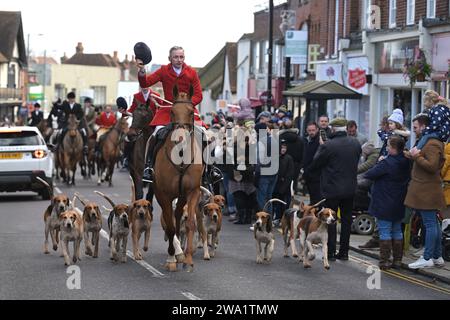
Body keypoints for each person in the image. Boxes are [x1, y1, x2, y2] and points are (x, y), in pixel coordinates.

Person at [136, 46, 204, 182]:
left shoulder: (192, 72)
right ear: (170, 58)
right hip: (168, 110)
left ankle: (208, 170)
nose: (179, 60)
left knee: (204, 134)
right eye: (176, 57)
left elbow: (198, 95)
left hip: (188, 111)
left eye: (181, 57)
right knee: (155, 134)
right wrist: (142, 70)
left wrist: (187, 105)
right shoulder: (163, 71)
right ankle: (149, 167)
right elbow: (146, 83)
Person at [309, 118, 362, 261]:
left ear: (332, 129)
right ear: (345, 129)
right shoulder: (355, 143)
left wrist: (321, 146)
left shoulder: (329, 145)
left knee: (330, 220)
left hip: (332, 189)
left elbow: (315, 164)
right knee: (346, 220)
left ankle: (331, 252)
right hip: (350, 188)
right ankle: (344, 252)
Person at [364, 136, 411, 270]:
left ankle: (384, 261)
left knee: (385, 231)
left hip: (384, 201)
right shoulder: (406, 161)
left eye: (388, 146)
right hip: (399, 201)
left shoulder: (386, 163)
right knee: (397, 230)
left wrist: (379, 162)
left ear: (393, 148)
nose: (387, 148)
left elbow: (370, 174)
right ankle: (397, 261)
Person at [405, 119, 446, 269]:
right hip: (427, 189)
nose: (414, 129)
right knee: (433, 223)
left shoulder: (433, 143)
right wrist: (410, 155)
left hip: (427, 190)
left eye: (416, 127)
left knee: (430, 224)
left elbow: (432, 166)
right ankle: (437, 256)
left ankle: (427, 257)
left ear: (424, 126)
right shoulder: (428, 141)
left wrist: (416, 156)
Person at [272, 140, 295, 225]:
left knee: (284, 203)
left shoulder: (288, 158)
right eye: (281, 147)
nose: (283, 149)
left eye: (285, 148)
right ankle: (277, 217)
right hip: (276, 185)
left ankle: (283, 219)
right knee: (277, 203)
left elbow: (290, 173)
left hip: (284, 185)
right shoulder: (275, 157)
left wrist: (285, 185)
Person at [279, 119, 303, 194]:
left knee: (280, 189)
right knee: (291, 188)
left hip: (281, 165)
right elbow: (302, 155)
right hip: (295, 166)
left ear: (283, 126)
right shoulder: (300, 139)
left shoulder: (279, 137)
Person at [302, 122, 322, 205]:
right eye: (309, 130)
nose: (311, 132)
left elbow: (318, 159)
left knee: (317, 199)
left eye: (313, 130)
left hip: (317, 175)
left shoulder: (319, 141)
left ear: (317, 130)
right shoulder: (306, 140)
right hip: (309, 175)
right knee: (313, 198)